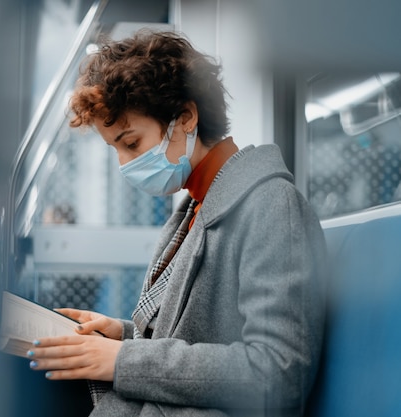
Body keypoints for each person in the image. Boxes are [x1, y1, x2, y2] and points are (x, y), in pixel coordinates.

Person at [25, 30, 327, 416]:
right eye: (115, 148)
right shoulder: (192, 209)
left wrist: (121, 359)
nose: (124, 164)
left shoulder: (272, 207)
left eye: (131, 143)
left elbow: (277, 374)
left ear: (185, 118)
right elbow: (187, 338)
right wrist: (121, 335)